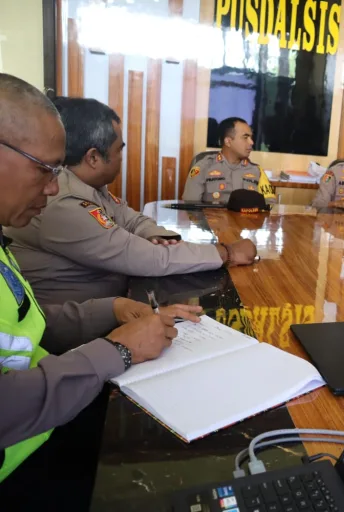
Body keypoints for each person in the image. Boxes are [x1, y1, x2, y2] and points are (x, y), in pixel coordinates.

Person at [0, 73, 199, 506]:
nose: (54, 187)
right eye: (45, 169)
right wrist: (118, 350)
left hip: (46, 416)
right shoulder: (60, 206)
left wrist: (111, 308)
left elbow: (29, 321)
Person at [6, 98, 258, 305]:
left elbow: (132, 219)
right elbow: (145, 257)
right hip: (80, 326)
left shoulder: (90, 186)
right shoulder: (63, 201)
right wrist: (227, 253)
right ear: (93, 158)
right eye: (119, 150)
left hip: (113, 303)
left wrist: (158, 236)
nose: (121, 158)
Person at [182, 117, 275, 203]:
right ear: (228, 141)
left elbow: (269, 205)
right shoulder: (202, 167)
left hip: (246, 216)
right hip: (213, 216)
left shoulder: (257, 171)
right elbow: (190, 206)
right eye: (245, 137)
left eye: (251, 138)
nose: (251, 142)